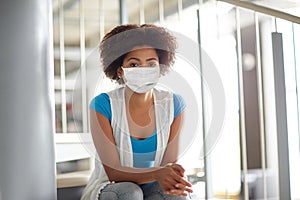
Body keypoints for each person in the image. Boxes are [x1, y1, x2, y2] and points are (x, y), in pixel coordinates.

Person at [81, 24, 193, 200]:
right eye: (134, 64)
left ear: (160, 68)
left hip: (153, 188)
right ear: (120, 70)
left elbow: (168, 165)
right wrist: (158, 173)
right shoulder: (102, 105)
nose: (143, 70)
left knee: (176, 196)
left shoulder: (174, 105)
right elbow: (113, 172)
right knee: (130, 193)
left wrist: (176, 179)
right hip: (114, 189)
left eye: (151, 64)